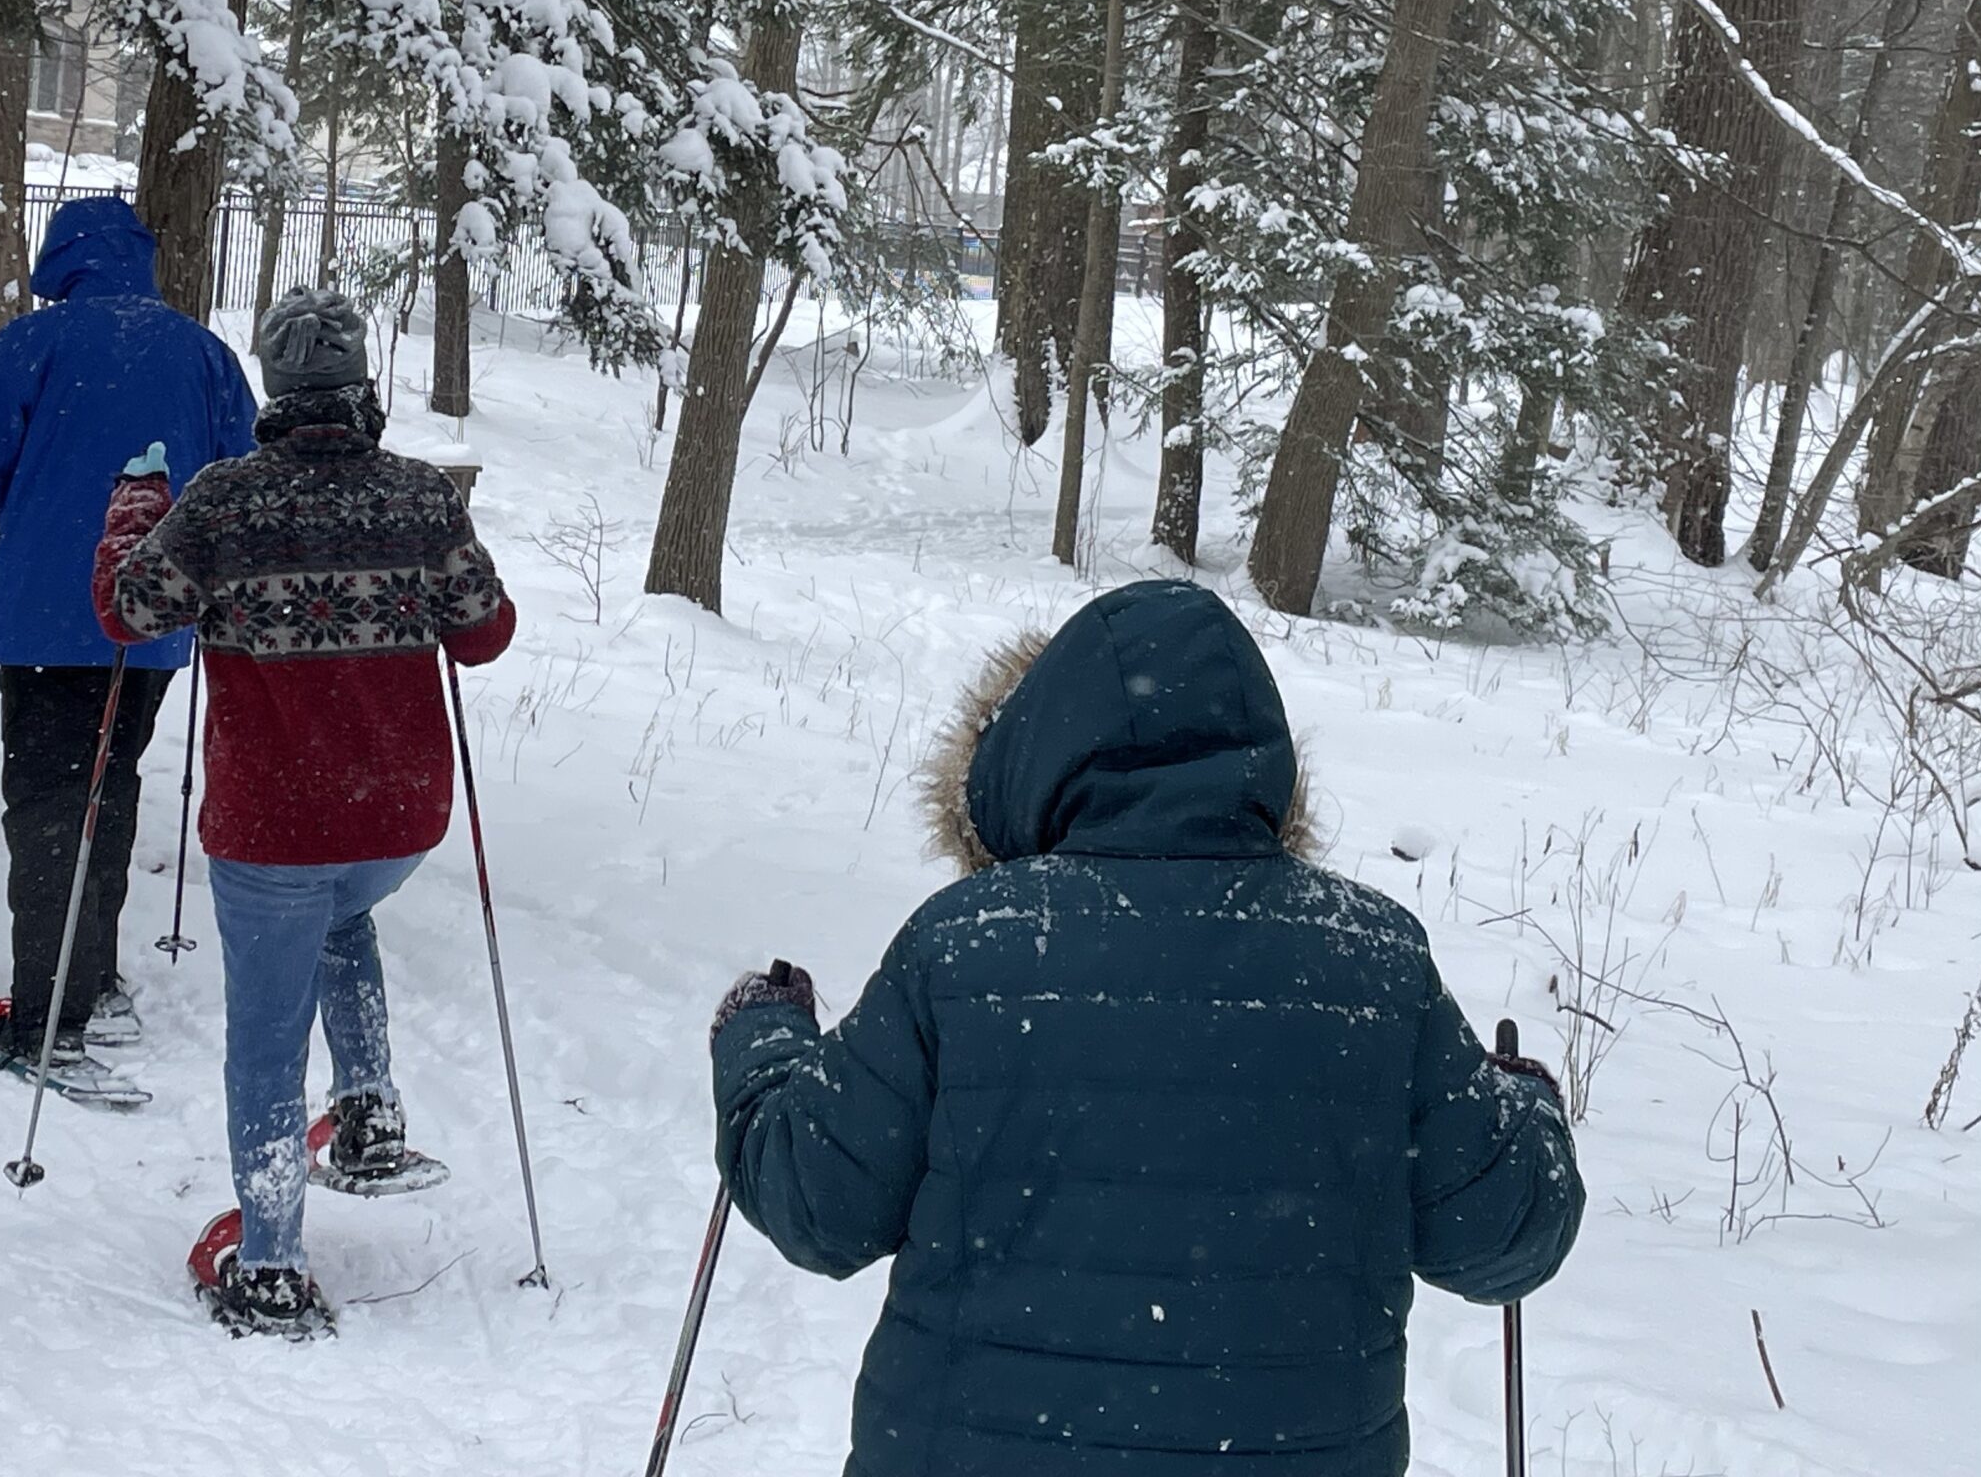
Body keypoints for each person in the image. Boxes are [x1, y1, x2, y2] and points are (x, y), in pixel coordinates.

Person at [708, 579, 1584, 1477]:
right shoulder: (1370, 962)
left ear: (1033, 759)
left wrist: (762, 1041)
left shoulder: (969, 945)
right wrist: (1527, 1104)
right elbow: (1505, 1231)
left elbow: (818, 1203)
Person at [92, 288, 515, 1339]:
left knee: (266, 1039)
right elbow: (486, 633)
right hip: (398, 817)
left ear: (274, 385)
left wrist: (134, 514)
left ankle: (272, 1262)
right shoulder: (419, 496)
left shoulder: (224, 500)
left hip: (273, 825)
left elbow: (129, 611)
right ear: (359, 380)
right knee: (345, 917)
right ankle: (369, 1114)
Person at [0, 196, 257, 1073]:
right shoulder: (202, 351)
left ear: (63, 258)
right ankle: (90, 978)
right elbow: (238, 472)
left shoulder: (34, 343)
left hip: (51, 617)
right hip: (155, 620)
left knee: (51, 802)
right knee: (112, 785)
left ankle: (44, 1017)